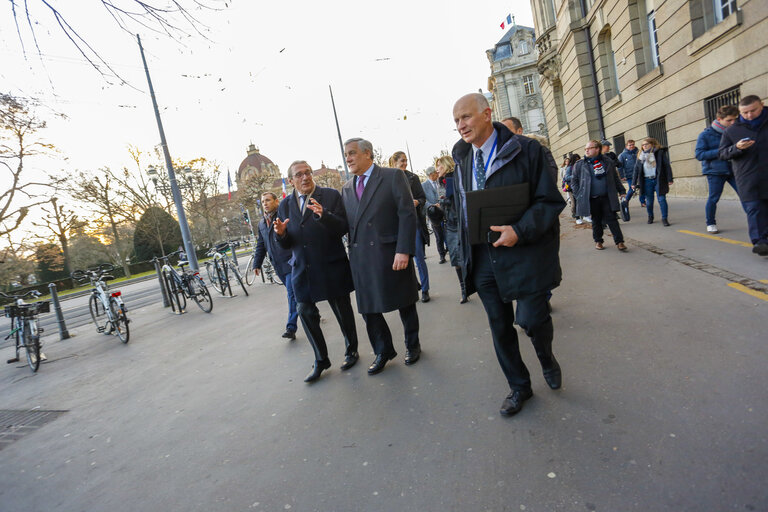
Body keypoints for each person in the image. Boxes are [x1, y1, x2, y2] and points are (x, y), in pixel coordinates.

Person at [451, 93, 565, 417]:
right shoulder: (461, 157)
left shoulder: (527, 150)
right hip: (483, 256)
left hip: (525, 251)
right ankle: (519, 387)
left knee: (531, 319)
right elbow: (460, 207)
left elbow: (550, 202)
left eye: (466, 117)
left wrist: (519, 230)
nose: (461, 125)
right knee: (499, 326)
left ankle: (546, 357)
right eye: (456, 120)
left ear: (487, 114)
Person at [341, 138, 422, 374]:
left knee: (404, 302)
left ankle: (412, 345)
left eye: (352, 153)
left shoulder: (391, 176)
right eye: (346, 154)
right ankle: (383, 350)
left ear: (368, 153)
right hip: (361, 258)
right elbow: (345, 224)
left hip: (391, 253)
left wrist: (404, 250)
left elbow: (407, 214)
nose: (348, 158)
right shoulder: (346, 188)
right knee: (368, 308)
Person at [274, 161, 359, 382]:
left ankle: (351, 350)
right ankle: (321, 359)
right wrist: (281, 235)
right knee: (305, 311)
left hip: (330, 265)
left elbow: (343, 228)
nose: (305, 177)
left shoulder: (330, 196)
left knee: (342, 311)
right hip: (303, 270)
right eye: (299, 175)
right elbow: (287, 243)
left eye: (308, 173)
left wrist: (325, 216)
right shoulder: (284, 205)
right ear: (291, 180)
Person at [719, 95, 768, 256]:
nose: (749, 115)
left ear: (761, 105)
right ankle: (761, 242)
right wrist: (737, 148)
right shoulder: (733, 130)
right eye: (744, 112)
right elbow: (723, 153)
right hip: (748, 177)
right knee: (754, 209)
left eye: (752, 111)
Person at [251, 192, 298, 340]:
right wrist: (256, 263)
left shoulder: (283, 215)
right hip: (278, 265)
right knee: (297, 295)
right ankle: (310, 310)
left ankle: (291, 327)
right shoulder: (261, 223)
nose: (265, 203)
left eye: (268, 200)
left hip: (291, 262)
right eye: (263, 201)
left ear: (276, 201)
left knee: (291, 294)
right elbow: (261, 244)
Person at [389, 151, 431, 303]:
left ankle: (425, 289)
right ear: (394, 162)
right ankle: (415, 286)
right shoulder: (388, 178)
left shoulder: (413, 177)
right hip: (397, 227)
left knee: (419, 258)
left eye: (406, 160)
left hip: (414, 224)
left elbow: (422, 197)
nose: (405, 163)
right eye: (402, 161)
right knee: (404, 260)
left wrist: (417, 202)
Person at [572, 140, 628, 251]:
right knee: (596, 221)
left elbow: (615, 178)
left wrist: (621, 190)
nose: (586, 150)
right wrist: (579, 195)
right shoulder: (580, 164)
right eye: (585, 149)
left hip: (607, 197)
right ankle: (598, 241)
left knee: (612, 219)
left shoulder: (607, 162)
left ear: (597, 149)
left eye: (589, 148)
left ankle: (619, 242)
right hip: (591, 199)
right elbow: (574, 181)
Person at [695, 104, 740, 234]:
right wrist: (722, 151)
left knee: (746, 196)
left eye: (735, 119)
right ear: (719, 119)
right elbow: (699, 154)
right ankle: (710, 223)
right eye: (729, 120)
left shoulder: (734, 132)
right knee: (714, 198)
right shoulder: (705, 135)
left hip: (734, 170)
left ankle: (757, 222)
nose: (733, 123)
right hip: (715, 171)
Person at [435, 155, 467, 303]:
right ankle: (464, 289)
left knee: (467, 256)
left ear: (447, 166)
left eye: (439, 166)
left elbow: (456, 199)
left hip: (461, 223)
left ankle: (471, 286)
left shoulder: (454, 178)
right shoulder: (440, 182)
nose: (437, 169)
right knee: (455, 259)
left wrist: (443, 202)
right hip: (450, 224)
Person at [633, 137, 674, 225]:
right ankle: (650, 216)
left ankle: (664, 218)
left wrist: (669, 178)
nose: (644, 146)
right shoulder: (640, 155)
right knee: (649, 201)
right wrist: (633, 183)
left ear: (652, 144)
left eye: (646, 144)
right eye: (643, 145)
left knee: (662, 199)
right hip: (647, 180)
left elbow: (667, 166)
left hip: (658, 179)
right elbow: (636, 170)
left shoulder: (659, 153)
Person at [422, 166, 447, 264]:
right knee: (438, 235)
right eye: (435, 173)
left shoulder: (441, 182)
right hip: (433, 214)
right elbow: (423, 199)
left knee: (447, 232)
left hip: (444, 210)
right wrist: (431, 206)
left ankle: (448, 248)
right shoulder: (423, 185)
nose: (437, 174)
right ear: (431, 174)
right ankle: (442, 255)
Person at [617, 140, 643, 206]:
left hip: (640, 174)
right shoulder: (622, 155)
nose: (632, 146)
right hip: (629, 175)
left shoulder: (639, 152)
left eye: (633, 144)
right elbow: (619, 167)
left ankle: (642, 202)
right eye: (630, 145)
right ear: (626, 146)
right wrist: (622, 176)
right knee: (632, 189)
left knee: (642, 188)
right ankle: (626, 200)